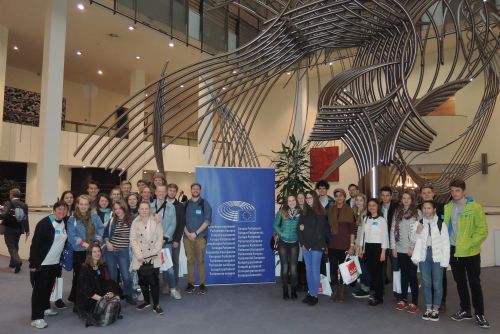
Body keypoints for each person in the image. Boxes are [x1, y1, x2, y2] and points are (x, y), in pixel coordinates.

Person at [444, 179, 489, 328]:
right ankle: (465, 309)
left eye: (457, 190)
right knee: (460, 282)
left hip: (470, 252)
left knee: (474, 283)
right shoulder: (448, 207)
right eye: (452, 190)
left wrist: (468, 244)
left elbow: (482, 230)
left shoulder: (475, 207)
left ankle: (479, 313)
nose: (454, 193)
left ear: (464, 191)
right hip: (454, 250)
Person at [29, 201, 67, 329]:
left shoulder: (63, 223)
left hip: (55, 263)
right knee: (39, 290)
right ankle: (36, 318)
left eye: (64, 210)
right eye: (59, 209)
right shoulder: (45, 223)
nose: (62, 211)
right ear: (54, 210)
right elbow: (35, 245)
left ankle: (45, 308)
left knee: (48, 288)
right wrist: (33, 263)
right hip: (43, 263)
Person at [413, 201, 450, 322]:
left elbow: (446, 243)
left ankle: (436, 308)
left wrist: (445, 261)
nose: (426, 210)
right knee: (427, 283)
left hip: (437, 256)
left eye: (429, 208)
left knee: (437, 283)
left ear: (434, 209)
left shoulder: (440, 224)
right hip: (424, 256)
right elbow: (412, 239)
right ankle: (428, 307)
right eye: (424, 208)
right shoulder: (419, 223)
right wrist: (417, 231)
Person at [67, 195, 104, 305]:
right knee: (79, 276)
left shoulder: (95, 217)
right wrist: (85, 244)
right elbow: (71, 236)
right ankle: (76, 298)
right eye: (81, 204)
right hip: (79, 251)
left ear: (89, 205)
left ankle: (92, 298)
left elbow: (100, 230)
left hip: (93, 252)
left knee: (92, 276)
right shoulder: (72, 219)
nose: (83, 206)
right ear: (77, 205)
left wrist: (96, 242)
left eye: (86, 204)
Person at [130, 201, 164, 315]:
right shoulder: (135, 222)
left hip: (153, 256)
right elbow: (133, 240)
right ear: (138, 210)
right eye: (142, 209)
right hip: (139, 257)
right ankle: (146, 301)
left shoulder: (156, 220)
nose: (144, 211)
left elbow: (160, 238)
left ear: (150, 209)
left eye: (146, 209)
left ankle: (156, 304)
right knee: (143, 281)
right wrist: (140, 256)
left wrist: (151, 254)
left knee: (154, 282)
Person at [76, 245, 121, 327]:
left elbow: (104, 283)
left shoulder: (101, 266)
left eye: (98, 251)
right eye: (94, 252)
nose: (97, 254)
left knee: (112, 285)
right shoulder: (85, 268)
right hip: (88, 298)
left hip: (97, 291)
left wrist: (110, 293)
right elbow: (86, 291)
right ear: (90, 254)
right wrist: (102, 299)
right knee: (105, 305)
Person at [418, 184, 447, 312]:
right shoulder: (418, 210)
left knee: (439, 280)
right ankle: (429, 305)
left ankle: (440, 303)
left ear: (433, 193)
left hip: (438, 251)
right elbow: (414, 236)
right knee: (427, 282)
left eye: (428, 192)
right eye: (424, 193)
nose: (426, 195)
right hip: (424, 252)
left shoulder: (441, 208)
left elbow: (444, 236)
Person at [391, 190, 420, 314]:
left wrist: (412, 247)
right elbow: (392, 230)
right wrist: (393, 247)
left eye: (408, 198)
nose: (406, 200)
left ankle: (414, 302)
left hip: (412, 249)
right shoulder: (397, 212)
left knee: (412, 275)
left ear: (412, 199)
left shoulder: (417, 213)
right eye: (404, 198)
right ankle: (403, 299)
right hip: (400, 248)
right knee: (403, 275)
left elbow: (418, 232)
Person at [152, 184, 182, 300]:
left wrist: (165, 237)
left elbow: (173, 224)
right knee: (151, 267)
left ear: (166, 193)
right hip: (152, 243)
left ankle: (173, 289)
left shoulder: (171, 207)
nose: (161, 193)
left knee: (169, 267)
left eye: (163, 192)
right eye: (159, 191)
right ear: (155, 192)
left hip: (166, 242)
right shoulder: (149, 206)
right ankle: (149, 289)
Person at [103, 200, 136, 305]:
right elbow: (105, 235)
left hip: (123, 251)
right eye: (115, 209)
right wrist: (107, 243)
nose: (117, 211)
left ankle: (128, 294)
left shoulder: (131, 220)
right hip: (110, 251)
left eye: (119, 208)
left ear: (124, 208)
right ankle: (114, 296)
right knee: (113, 276)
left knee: (126, 275)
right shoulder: (112, 220)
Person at [298, 191, 327, 306]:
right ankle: (310, 293)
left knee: (315, 270)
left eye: (310, 197)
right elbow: (298, 229)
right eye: (306, 198)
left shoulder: (320, 212)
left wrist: (308, 245)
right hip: (305, 246)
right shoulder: (304, 212)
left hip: (316, 245)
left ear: (315, 198)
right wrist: (303, 243)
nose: (308, 200)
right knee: (308, 271)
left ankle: (314, 295)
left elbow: (318, 232)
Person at [326, 188, 355, 302]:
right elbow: (326, 228)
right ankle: (334, 290)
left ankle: (342, 291)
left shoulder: (349, 210)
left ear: (344, 197)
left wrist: (352, 245)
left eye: (341, 196)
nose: (339, 198)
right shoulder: (330, 210)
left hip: (344, 245)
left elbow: (352, 230)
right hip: (332, 244)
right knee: (333, 269)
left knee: (343, 269)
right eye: (337, 196)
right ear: (335, 197)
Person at [358, 198, 388, 306]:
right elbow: (362, 234)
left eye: (374, 205)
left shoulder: (382, 220)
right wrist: (361, 248)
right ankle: (375, 294)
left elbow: (385, 237)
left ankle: (379, 297)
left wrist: (383, 252)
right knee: (371, 273)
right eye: (369, 205)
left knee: (378, 273)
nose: (371, 207)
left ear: (377, 207)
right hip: (368, 248)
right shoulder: (366, 218)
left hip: (378, 248)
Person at [183, 183, 212, 295]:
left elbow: (207, 221)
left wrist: (196, 233)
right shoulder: (186, 204)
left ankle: (202, 284)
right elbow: (182, 221)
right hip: (187, 237)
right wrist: (187, 233)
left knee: (200, 261)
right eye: (193, 188)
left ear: (200, 190)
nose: (195, 190)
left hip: (200, 237)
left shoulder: (205, 204)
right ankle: (190, 284)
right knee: (189, 261)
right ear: (190, 190)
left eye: (197, 189)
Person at [274, 194, 300, 300]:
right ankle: (285, 291)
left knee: (293, 269)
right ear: (287, 202)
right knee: (284, 268)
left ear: (296, 201)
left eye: (293, 200)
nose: (292, 202)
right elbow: (275, 225)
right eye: (289, 201)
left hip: (294, 243)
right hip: (283, 243)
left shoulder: (300, 213)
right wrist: (281, 234)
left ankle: (293, 291)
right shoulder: (282, 212)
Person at [0, 188, 29, 273]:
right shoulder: (24, 205)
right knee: (15, 245)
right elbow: (26, 219)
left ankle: (18, 262)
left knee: (10, 246)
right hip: (19, 229)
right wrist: (27, 230)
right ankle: (13, 263)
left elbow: (4, 214)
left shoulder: (8, 203)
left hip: (9, 228)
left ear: (11, 195)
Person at [379, 186, 399, 299]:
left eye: (387, 195)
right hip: (381, 242)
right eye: (383, 195)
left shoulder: (397, 207)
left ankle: (398, 292)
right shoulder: (377, 207)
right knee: (381, 267)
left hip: (393, 242)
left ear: (391, 196)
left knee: (396, 267)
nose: (385, 197)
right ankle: (380, 291)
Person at [166, 183, 185, 297]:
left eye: (174, 191)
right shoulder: (163, 204)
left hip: (175, 239)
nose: (172, 192)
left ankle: (176, 284)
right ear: (167, 191)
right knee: (165, 263)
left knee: (175, 262)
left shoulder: (180, 206)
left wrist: (177, 239)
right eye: (170, 190)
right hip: (164, 240)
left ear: (176, 192)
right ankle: (166, 284)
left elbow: (182, 224)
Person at [352, 193, 371, 298]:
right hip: (356, 242)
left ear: (364, 201)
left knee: (363, 267)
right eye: (357, 200)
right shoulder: (356, 212)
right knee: (360, 266)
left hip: (362, 244)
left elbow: (364, 232)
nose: (358, 202)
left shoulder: (365, 214)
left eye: (361, 200)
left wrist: (360, 247)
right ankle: (363, 287)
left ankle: (366, 289)